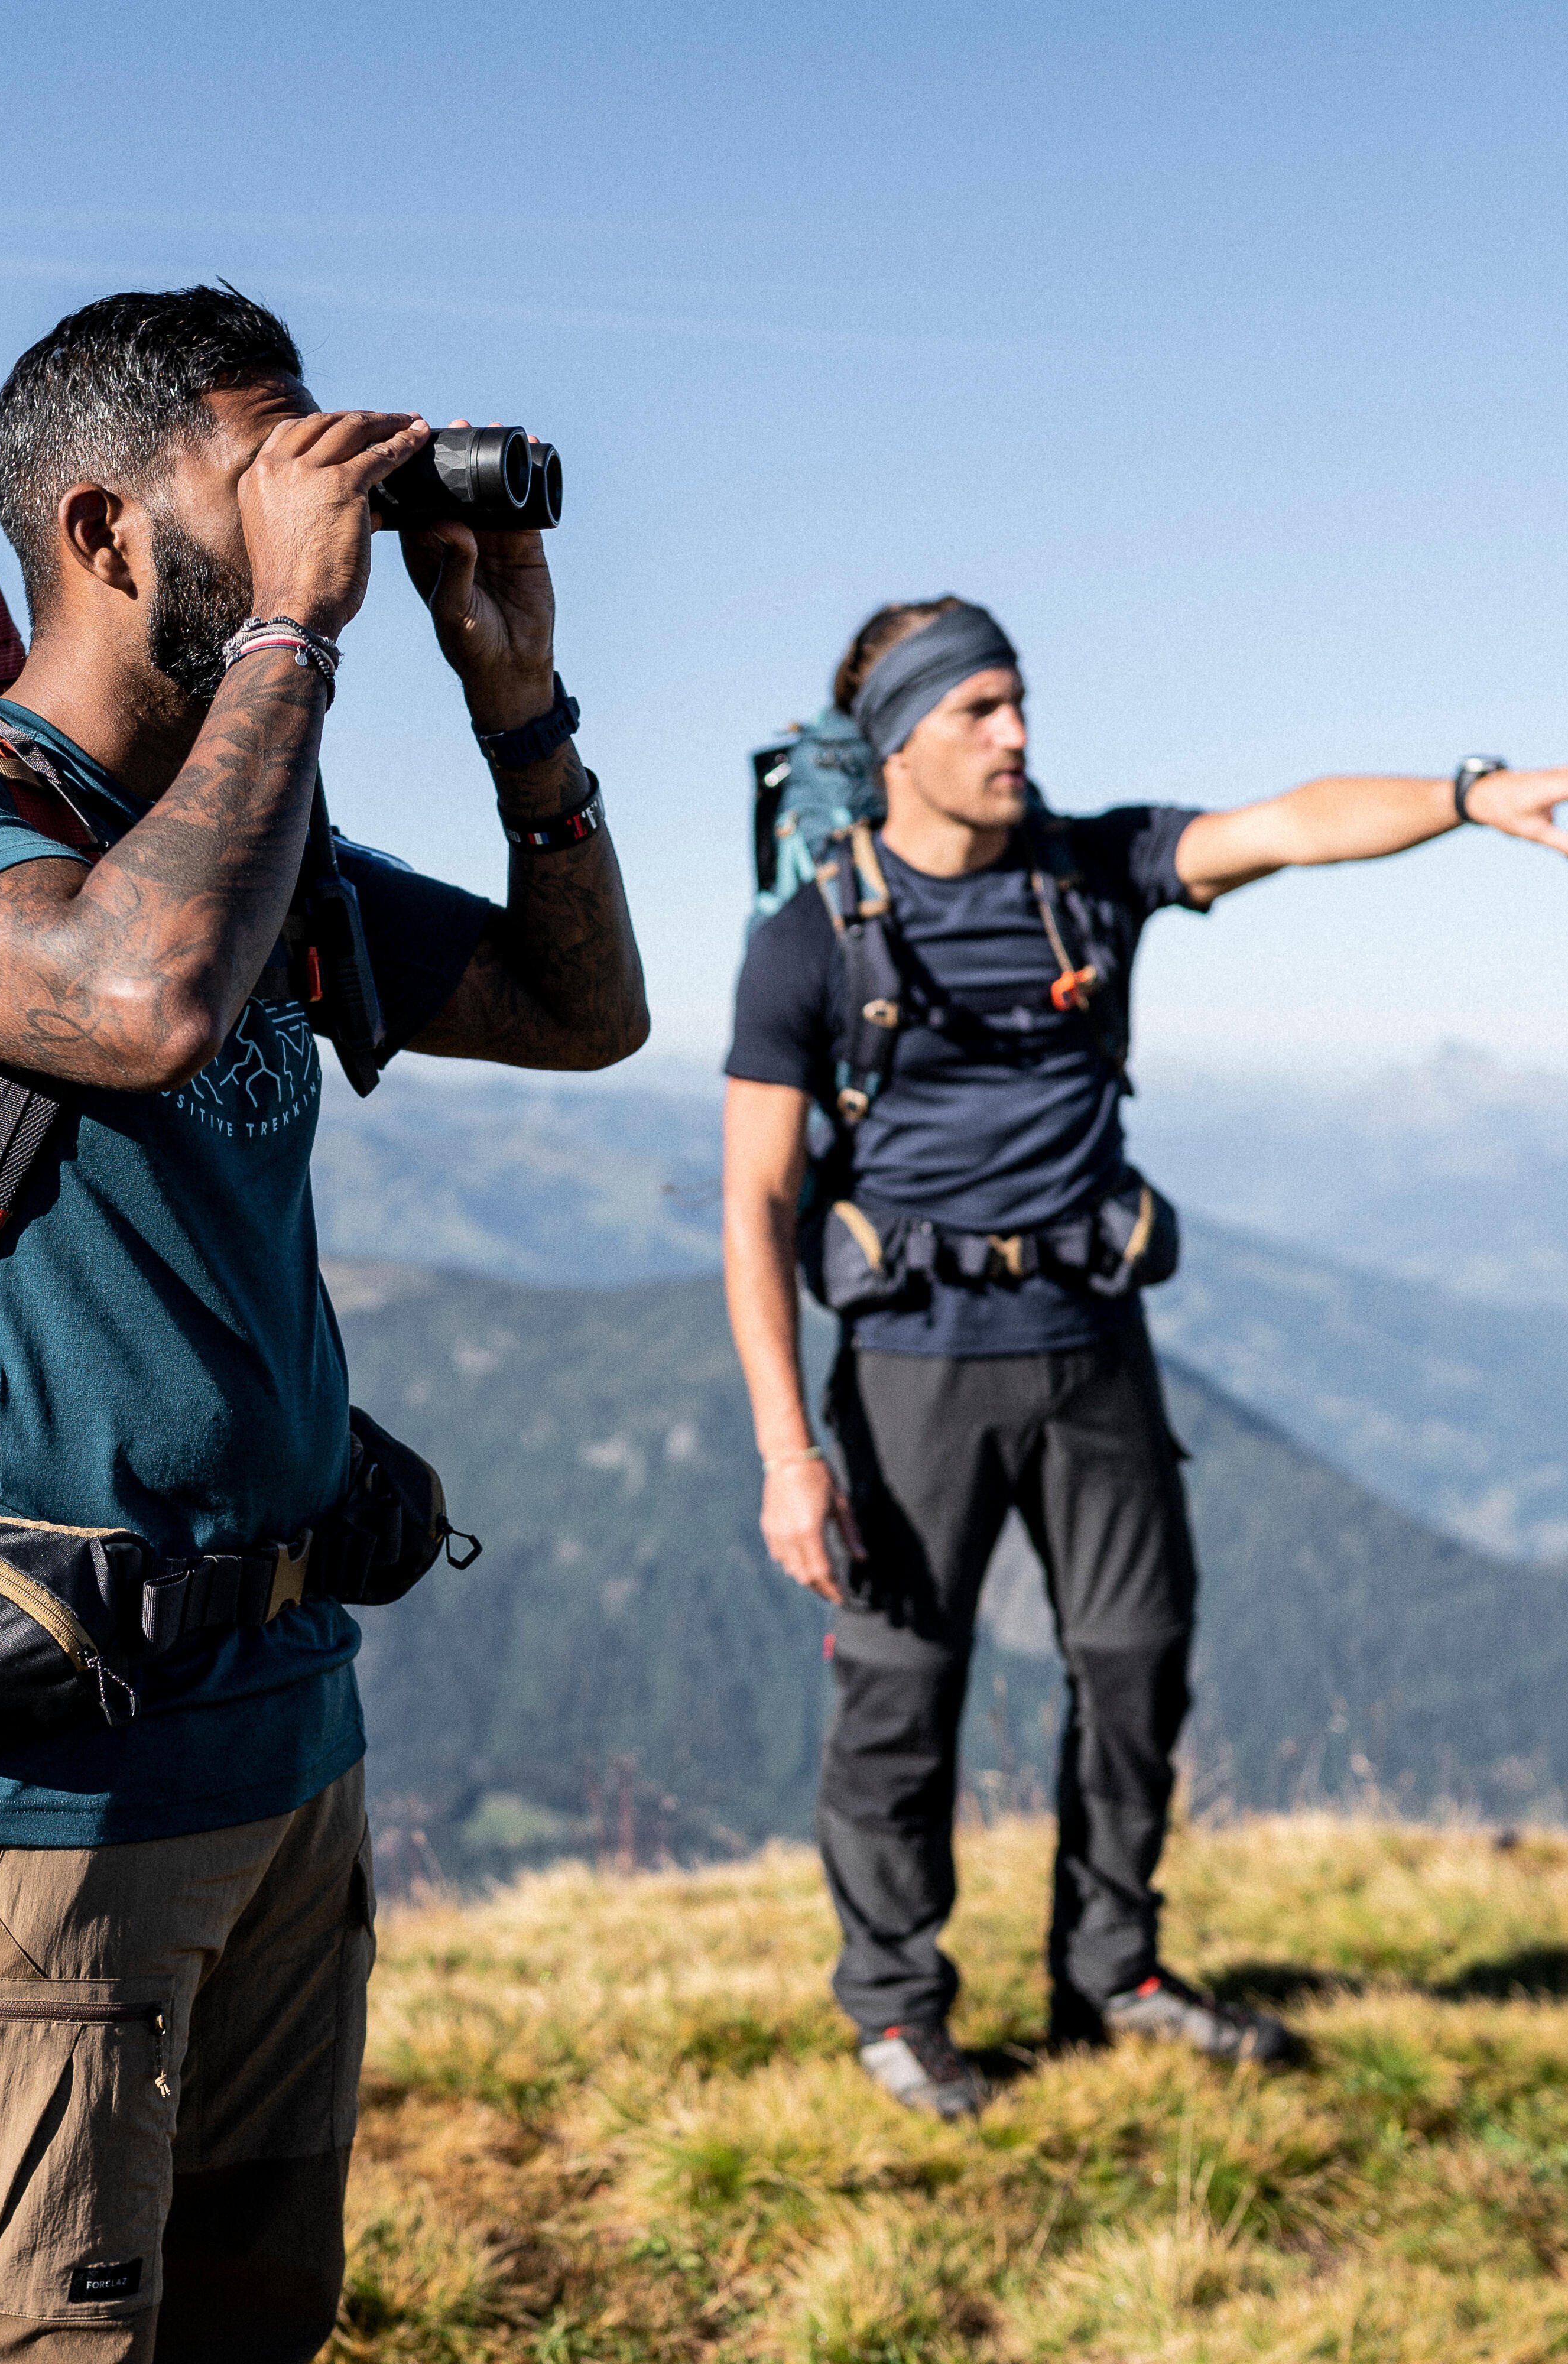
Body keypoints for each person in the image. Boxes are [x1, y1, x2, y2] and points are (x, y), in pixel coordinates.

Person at [0, 286, 647, 2359]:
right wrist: (295, 637)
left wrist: (516, 702)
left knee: (260, 2314)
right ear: (96, 531)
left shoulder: (269, 855)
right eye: (257, 471)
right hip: (33, 1794)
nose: (307, 512)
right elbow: (136, 995)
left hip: (281, 1729)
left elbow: (577, 1014)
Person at [721, 596, 1568, 2119]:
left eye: (1019, 701)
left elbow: (1292, 826)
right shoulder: (810, 940)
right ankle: (900, 2006)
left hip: (1096, 1345)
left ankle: (1113, 1967)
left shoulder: (1091, 871)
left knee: (1135, 1664)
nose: (1018, 735)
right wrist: (791, 1452)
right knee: (903, 1694)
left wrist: (1467, 798)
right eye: (978, 710)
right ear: (899, 736)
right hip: (914, 1367)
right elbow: (756, 1202)